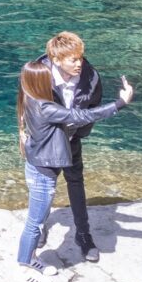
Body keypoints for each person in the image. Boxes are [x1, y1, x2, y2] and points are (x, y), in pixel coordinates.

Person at [16, 50, 132, 282]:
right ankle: (25, 268)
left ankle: (33, 259)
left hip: (42, 163)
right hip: (44, 170)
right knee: (34, 223)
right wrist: (121, 102)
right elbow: (83, 114)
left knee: (37, 220)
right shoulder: (47, 107)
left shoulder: (30, 99)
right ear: (40, 83)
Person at [23, 31, 105, 262]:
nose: (80, 63)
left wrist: (80, 131)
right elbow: (25, 100)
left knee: (76, 182)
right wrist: (23, 130)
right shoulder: (39, 72)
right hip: (47, 141)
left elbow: (94, 103)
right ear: (56, 59)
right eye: (74, 59)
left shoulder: (90, 75)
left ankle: (83, 234)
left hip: (72, 138)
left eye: (81, 57)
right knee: (44, 186)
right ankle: (39, 227)